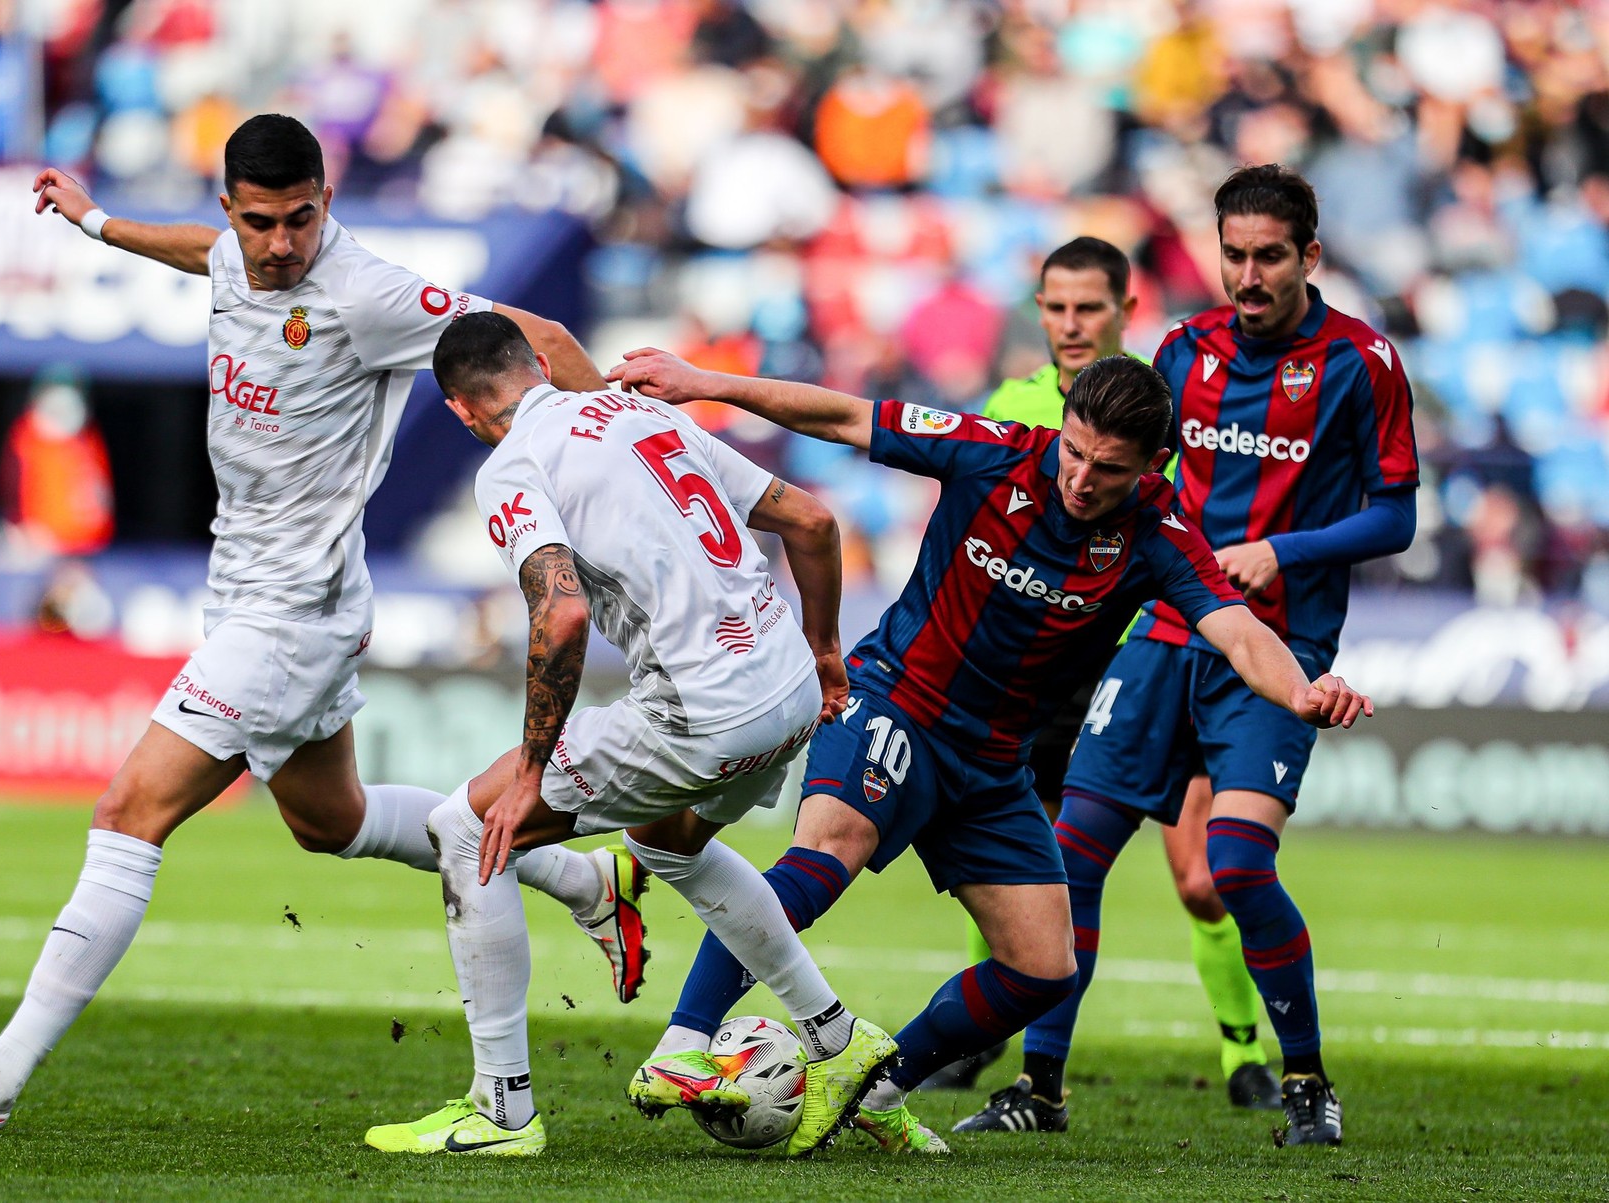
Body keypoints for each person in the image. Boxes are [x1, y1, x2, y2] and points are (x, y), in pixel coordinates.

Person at [0, 114, 638, 1129]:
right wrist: (97, 223)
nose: (282, 245)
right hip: (248, 596)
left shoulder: (365, 292)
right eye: (262, 222)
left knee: (127, 813)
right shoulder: (236, 252)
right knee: (336, 823)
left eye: (302, 221)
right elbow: (208, 255)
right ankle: (591, 884)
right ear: (230, 207)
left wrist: (640, 457)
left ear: (329, 201)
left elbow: (539, 340)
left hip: (295, 611)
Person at [606, 347, 1373, 1155]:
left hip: (991, 760)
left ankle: (873, 1089)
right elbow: (842, 415)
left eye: (1107, 468)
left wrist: (1303, 692)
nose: (1079, 478)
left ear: (1153, 464)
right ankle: (682, 1042)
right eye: (1074, 450)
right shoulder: (996, 451)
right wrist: (704, 383)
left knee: (1044, 966)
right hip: (895, 697)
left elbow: (1240, 630)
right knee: (827, 851)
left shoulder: (1159, 532)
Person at [359, 312, 897, 1158]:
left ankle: (501, 1109)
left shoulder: (513, 467)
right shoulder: (644, 413)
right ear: (537, 363)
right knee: (670, 843)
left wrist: (533, 769)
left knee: (468, 829)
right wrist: (828, 655)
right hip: (788, 685)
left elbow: (562, 611)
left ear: (463, 412)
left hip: (702, 709)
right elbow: (814, 522)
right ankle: (838, 1036)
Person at [976, 165, 1419, 1148]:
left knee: (1236, 868)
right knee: (1068, 857)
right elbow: (1133, 482)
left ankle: (1305, 1081)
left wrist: (1281, 551)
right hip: (1165, 632)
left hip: (1276, 644)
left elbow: (1396, 515)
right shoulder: (1183, 351)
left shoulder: (1362, 362)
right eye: (1234, 255)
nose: (1248, 276)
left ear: (1310, 254)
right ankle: (1038, 1088)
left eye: (1269, 257)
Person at [935, 237, 1284, 1116]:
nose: (1070, 324)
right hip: (1041, 675)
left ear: (1126, 311)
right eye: (1055, 307)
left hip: (1149, 655)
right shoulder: (1012, 403)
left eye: (1089, 307)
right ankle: (1011, 1049)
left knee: (1202, 877)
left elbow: (1182, 532)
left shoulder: (1156, 408)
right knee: (1028, 870)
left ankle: (1243, 1048)